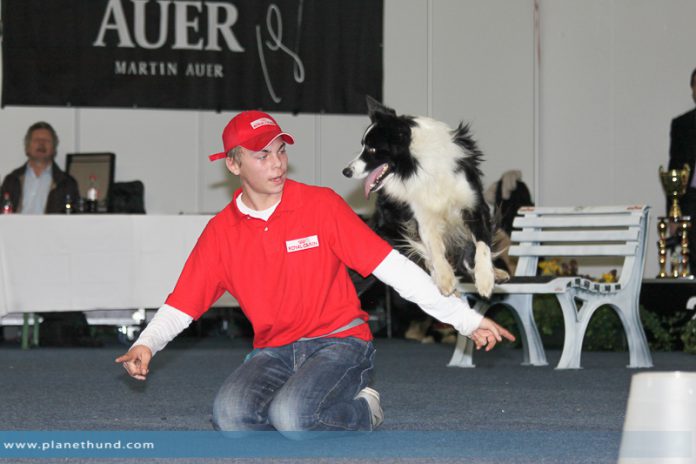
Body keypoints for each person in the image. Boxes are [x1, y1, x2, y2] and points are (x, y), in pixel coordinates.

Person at [116, 110, 515, 435]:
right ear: (234, 164)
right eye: (262, 156)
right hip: (273, 351)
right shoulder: (221, 233)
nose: (276, 163)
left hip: (340, 344)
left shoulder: (321, 206)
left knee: (294, 419)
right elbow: (183, 304)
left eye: (280, 151)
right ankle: (303, 401)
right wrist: (146, 345)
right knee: (232, 420)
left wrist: (466, 319)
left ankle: (363, 408)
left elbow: (395, 270)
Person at [1, 121, 80, 214]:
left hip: (52, 228)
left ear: (54, 149)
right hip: (14, 228)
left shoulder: (66, 184)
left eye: (46, 141)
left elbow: (73, 219)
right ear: (27, 147)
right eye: (36, 140)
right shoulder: (12, 180)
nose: (41, 144)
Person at [668, 67, 696, 272]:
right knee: (690, 263)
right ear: (692, 89)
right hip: (690, 204)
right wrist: (673, 213)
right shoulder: (682, 125)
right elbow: (674, 170)